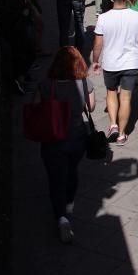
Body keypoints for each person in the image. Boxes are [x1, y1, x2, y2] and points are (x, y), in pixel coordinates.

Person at [35, 47, 95, 243]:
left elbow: (36, 106)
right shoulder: (83, 82)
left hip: (52, 139)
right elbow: (91, 106)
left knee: (55, 178)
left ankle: (61, 217)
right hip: (76, 137)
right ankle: (69, 204)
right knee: (71, 171)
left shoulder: (46, 84)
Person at [92, 0, 138, 146]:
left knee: (111, 93)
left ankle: (113, 124)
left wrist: (95, 61)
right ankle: (122, 134)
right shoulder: (137, 16)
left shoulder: (103, 18)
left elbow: (98, 43)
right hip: (131, 62)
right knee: (126, 98)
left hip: (111, 63)